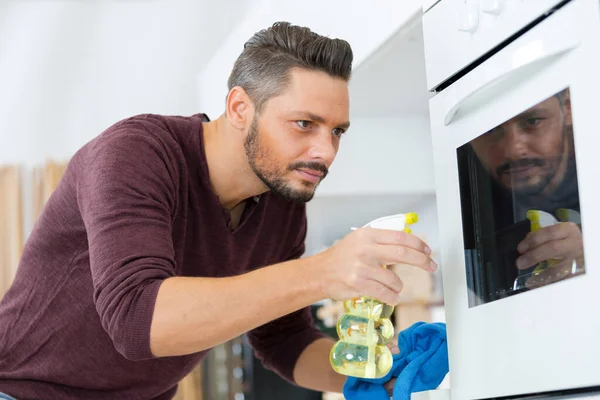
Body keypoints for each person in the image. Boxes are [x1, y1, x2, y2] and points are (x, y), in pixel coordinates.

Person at [0, 22, 436, 399]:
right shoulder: (136, 154)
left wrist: (379, 370)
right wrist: (323, 271)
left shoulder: (282, 202)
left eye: (337, 130)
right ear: (240, 108)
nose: (325, 151)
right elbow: (137, 319)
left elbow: (284, 339)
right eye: (304, 124)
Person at [468, 88, 584, 290]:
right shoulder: (468, 204)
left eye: (533, 121)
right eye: (490, 130)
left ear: (568, 107)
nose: (513, 150)